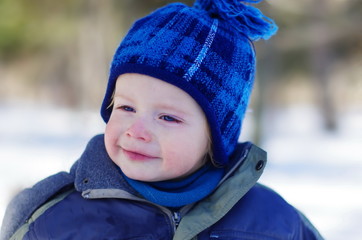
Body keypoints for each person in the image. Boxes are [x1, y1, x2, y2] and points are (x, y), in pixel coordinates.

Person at [1, 0, 323, 239]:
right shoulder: (56, 220)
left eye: (167, 117)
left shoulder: (273, 222)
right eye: (126, 108)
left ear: (215, 137)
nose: (137, 131)